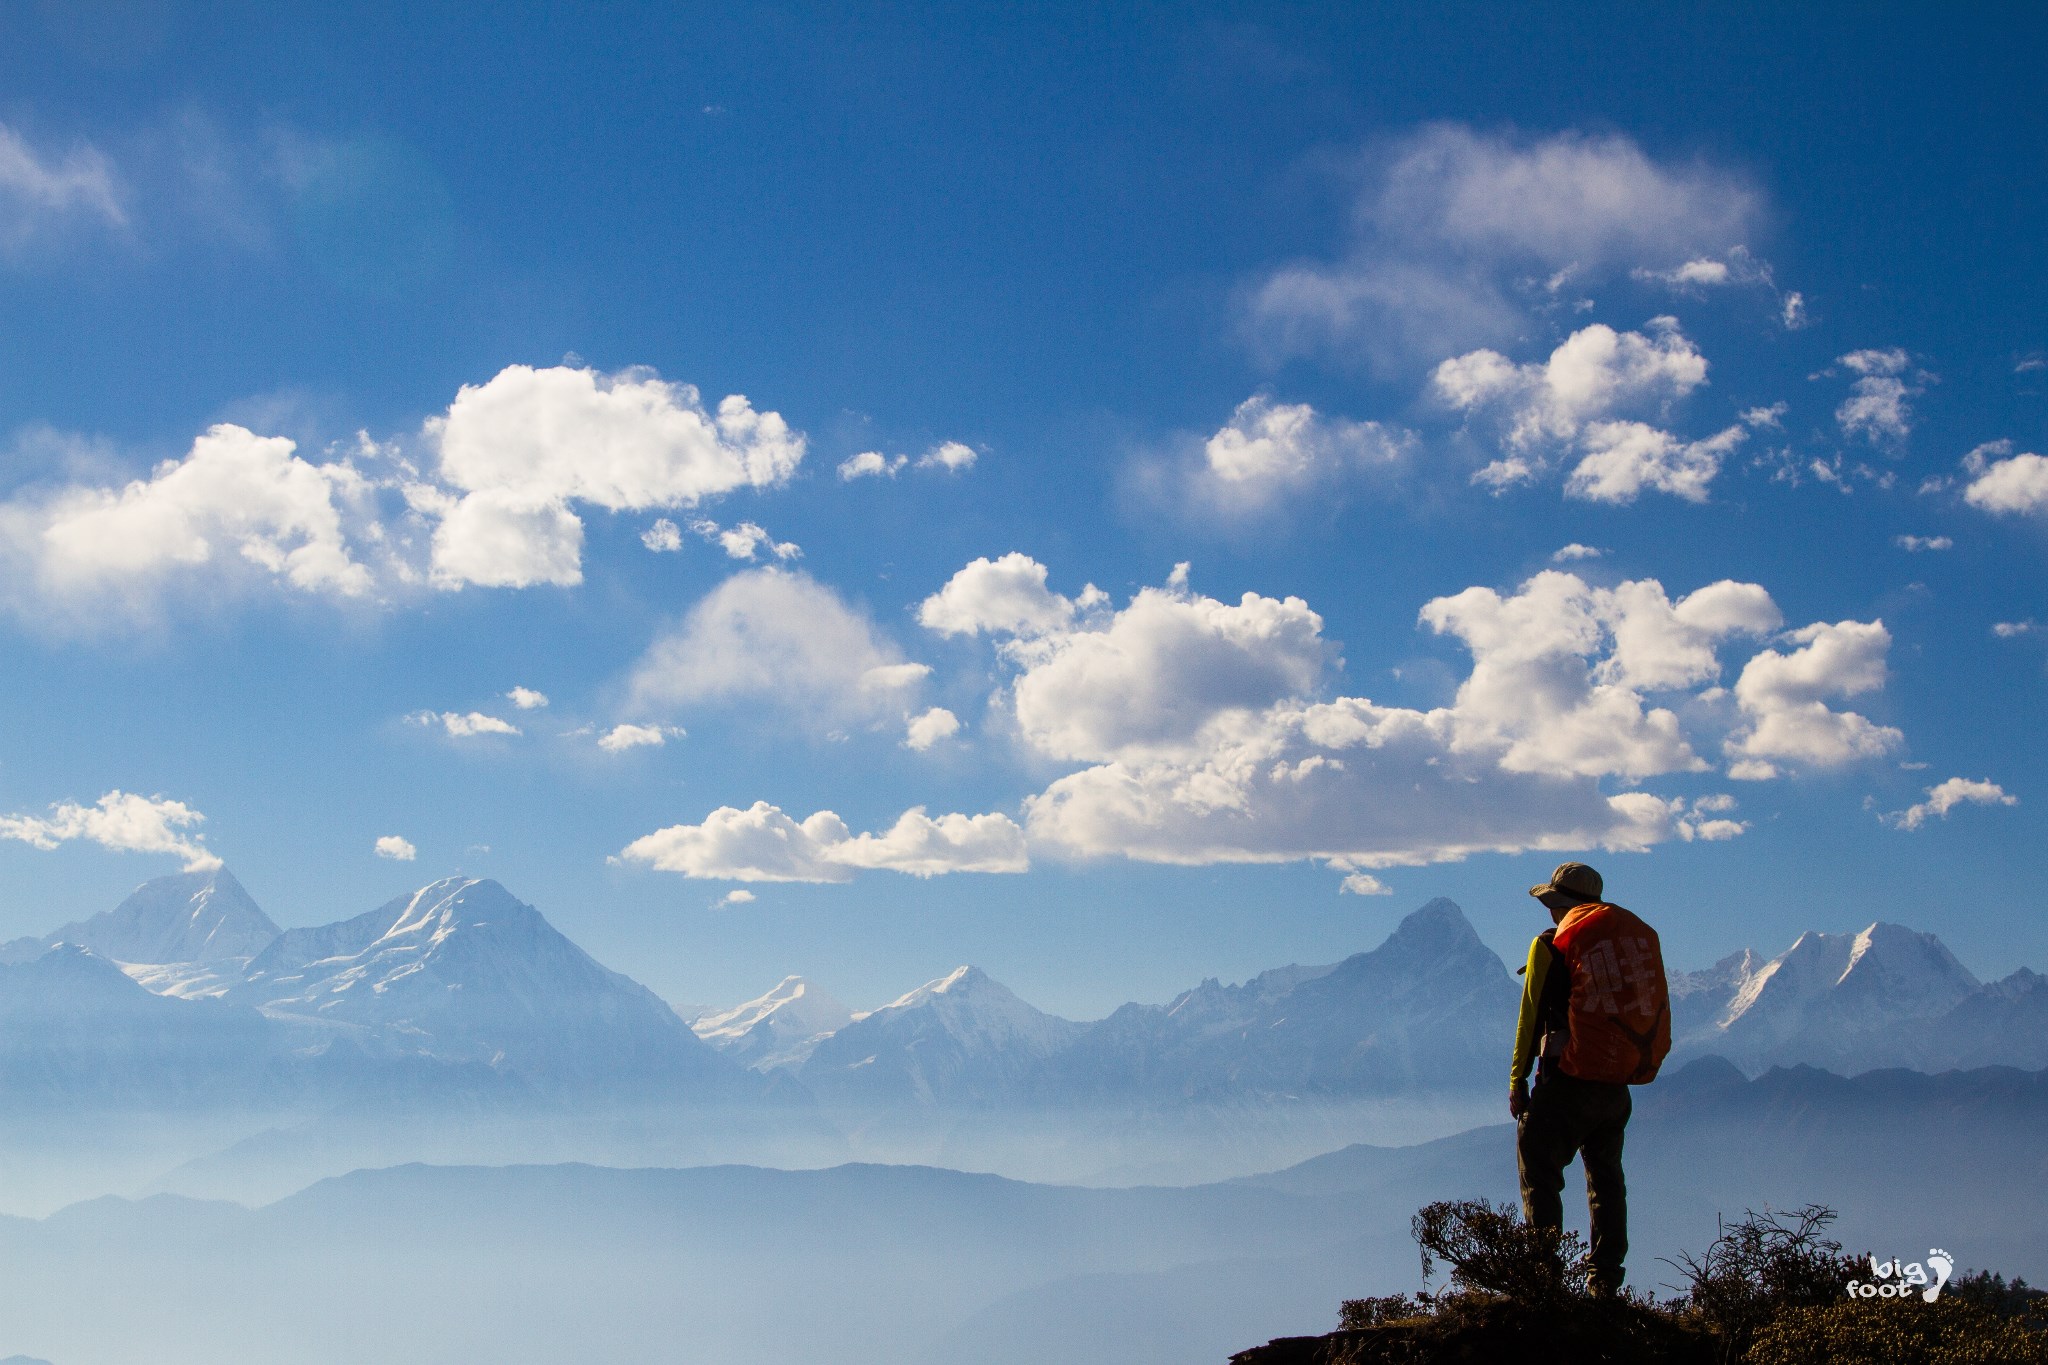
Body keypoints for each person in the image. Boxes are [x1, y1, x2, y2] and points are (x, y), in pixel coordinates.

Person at [1508, 861, 1671, 1298]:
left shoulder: (1551, 944)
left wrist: (1517, 1080)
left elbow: (1531, 1016)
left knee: (1539, 1167)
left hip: (1566, 1079)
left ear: (1560, 905)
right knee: (1605, 1179)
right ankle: (1604, 1280)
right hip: (1615, 1084)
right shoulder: (1621, 944)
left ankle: (1543, 1280)